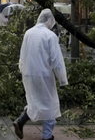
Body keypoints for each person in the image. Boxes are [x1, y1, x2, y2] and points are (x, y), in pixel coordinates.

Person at [12, 9, 68, 140]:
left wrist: (22, 70)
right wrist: (63, 80)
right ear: (49, 21)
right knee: (50, 105)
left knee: (34, 101)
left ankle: (20, 121)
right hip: (44, 75)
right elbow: (57, 61)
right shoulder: (50, 36)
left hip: (28, 73)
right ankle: (47, 137)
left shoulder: (28, 33)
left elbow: (22, 54)